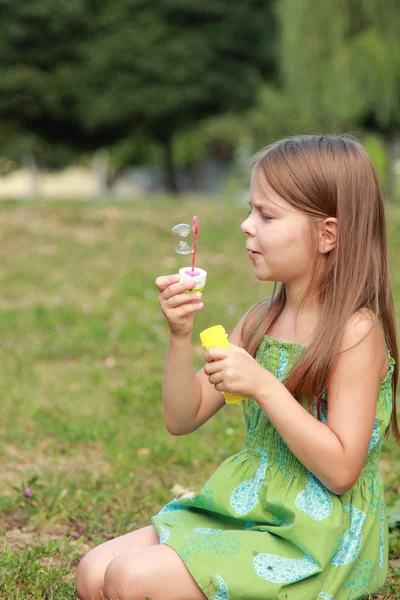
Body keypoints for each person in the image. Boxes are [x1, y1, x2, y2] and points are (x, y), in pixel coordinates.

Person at [75, 134, 399, 600]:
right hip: (250, 510)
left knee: (129, 579)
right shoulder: (259, 321)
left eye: (267, 215)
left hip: (314, 536)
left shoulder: (355, 333)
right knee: (92, 572)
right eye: (251, 210)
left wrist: (265, 386)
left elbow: (342, 469)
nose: (247, 225)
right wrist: (180, 335)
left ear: (328, 234)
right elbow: (181, 418)